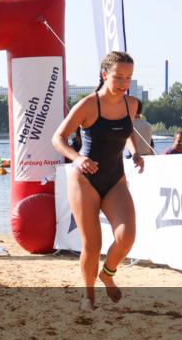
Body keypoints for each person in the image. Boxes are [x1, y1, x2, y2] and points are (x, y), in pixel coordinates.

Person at [52, 51, 144, 311]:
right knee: (92, 245)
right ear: (105, 75)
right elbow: (57, 139)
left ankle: (108, 274)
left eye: (129, 77)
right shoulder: (88, 105)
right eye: (118, 77)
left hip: (115, 178)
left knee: (127, 237)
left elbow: (127, 131)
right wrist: (77, 158)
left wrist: (135, 151)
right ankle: (88, 296)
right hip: (85, 179)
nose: (124, 83)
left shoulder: (132, 104)